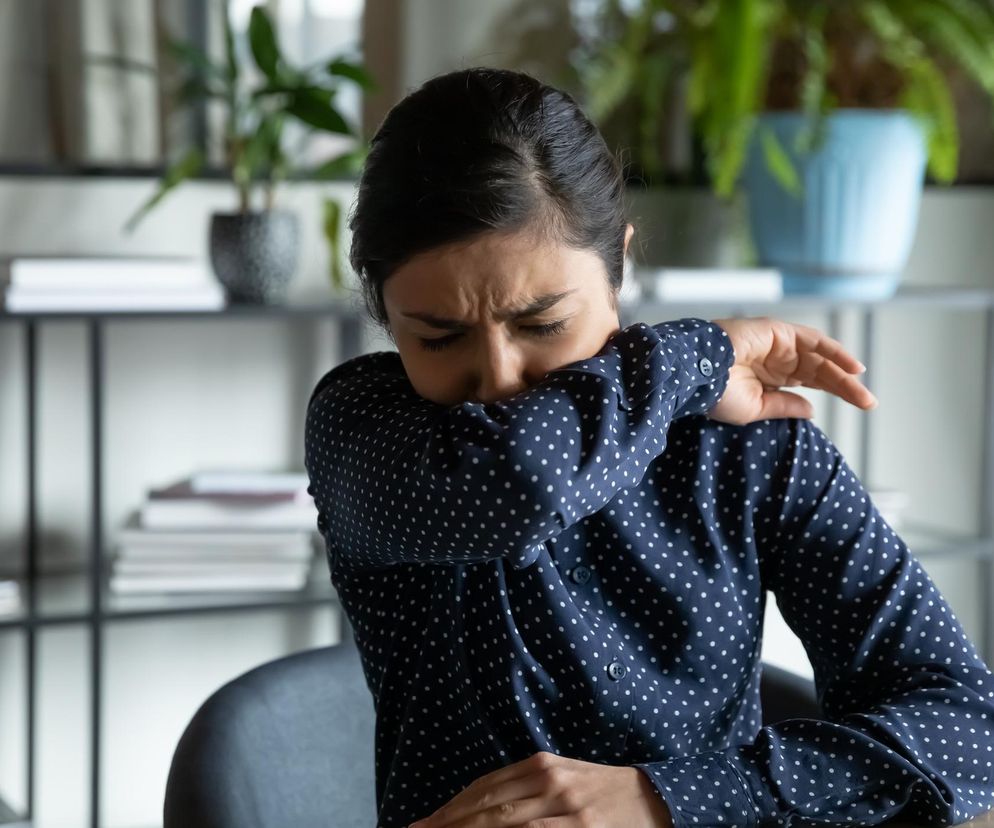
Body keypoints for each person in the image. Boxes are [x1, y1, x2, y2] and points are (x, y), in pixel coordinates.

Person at [303, 66, 994, 828]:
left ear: (620, 264)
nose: (499, 380)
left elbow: (967, 729)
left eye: (542, 325)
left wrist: (666, 797)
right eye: (439, 337)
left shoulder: (747, 449)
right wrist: (702, 353)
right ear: (382, 311)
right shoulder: (363, 426)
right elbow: (518, 482)